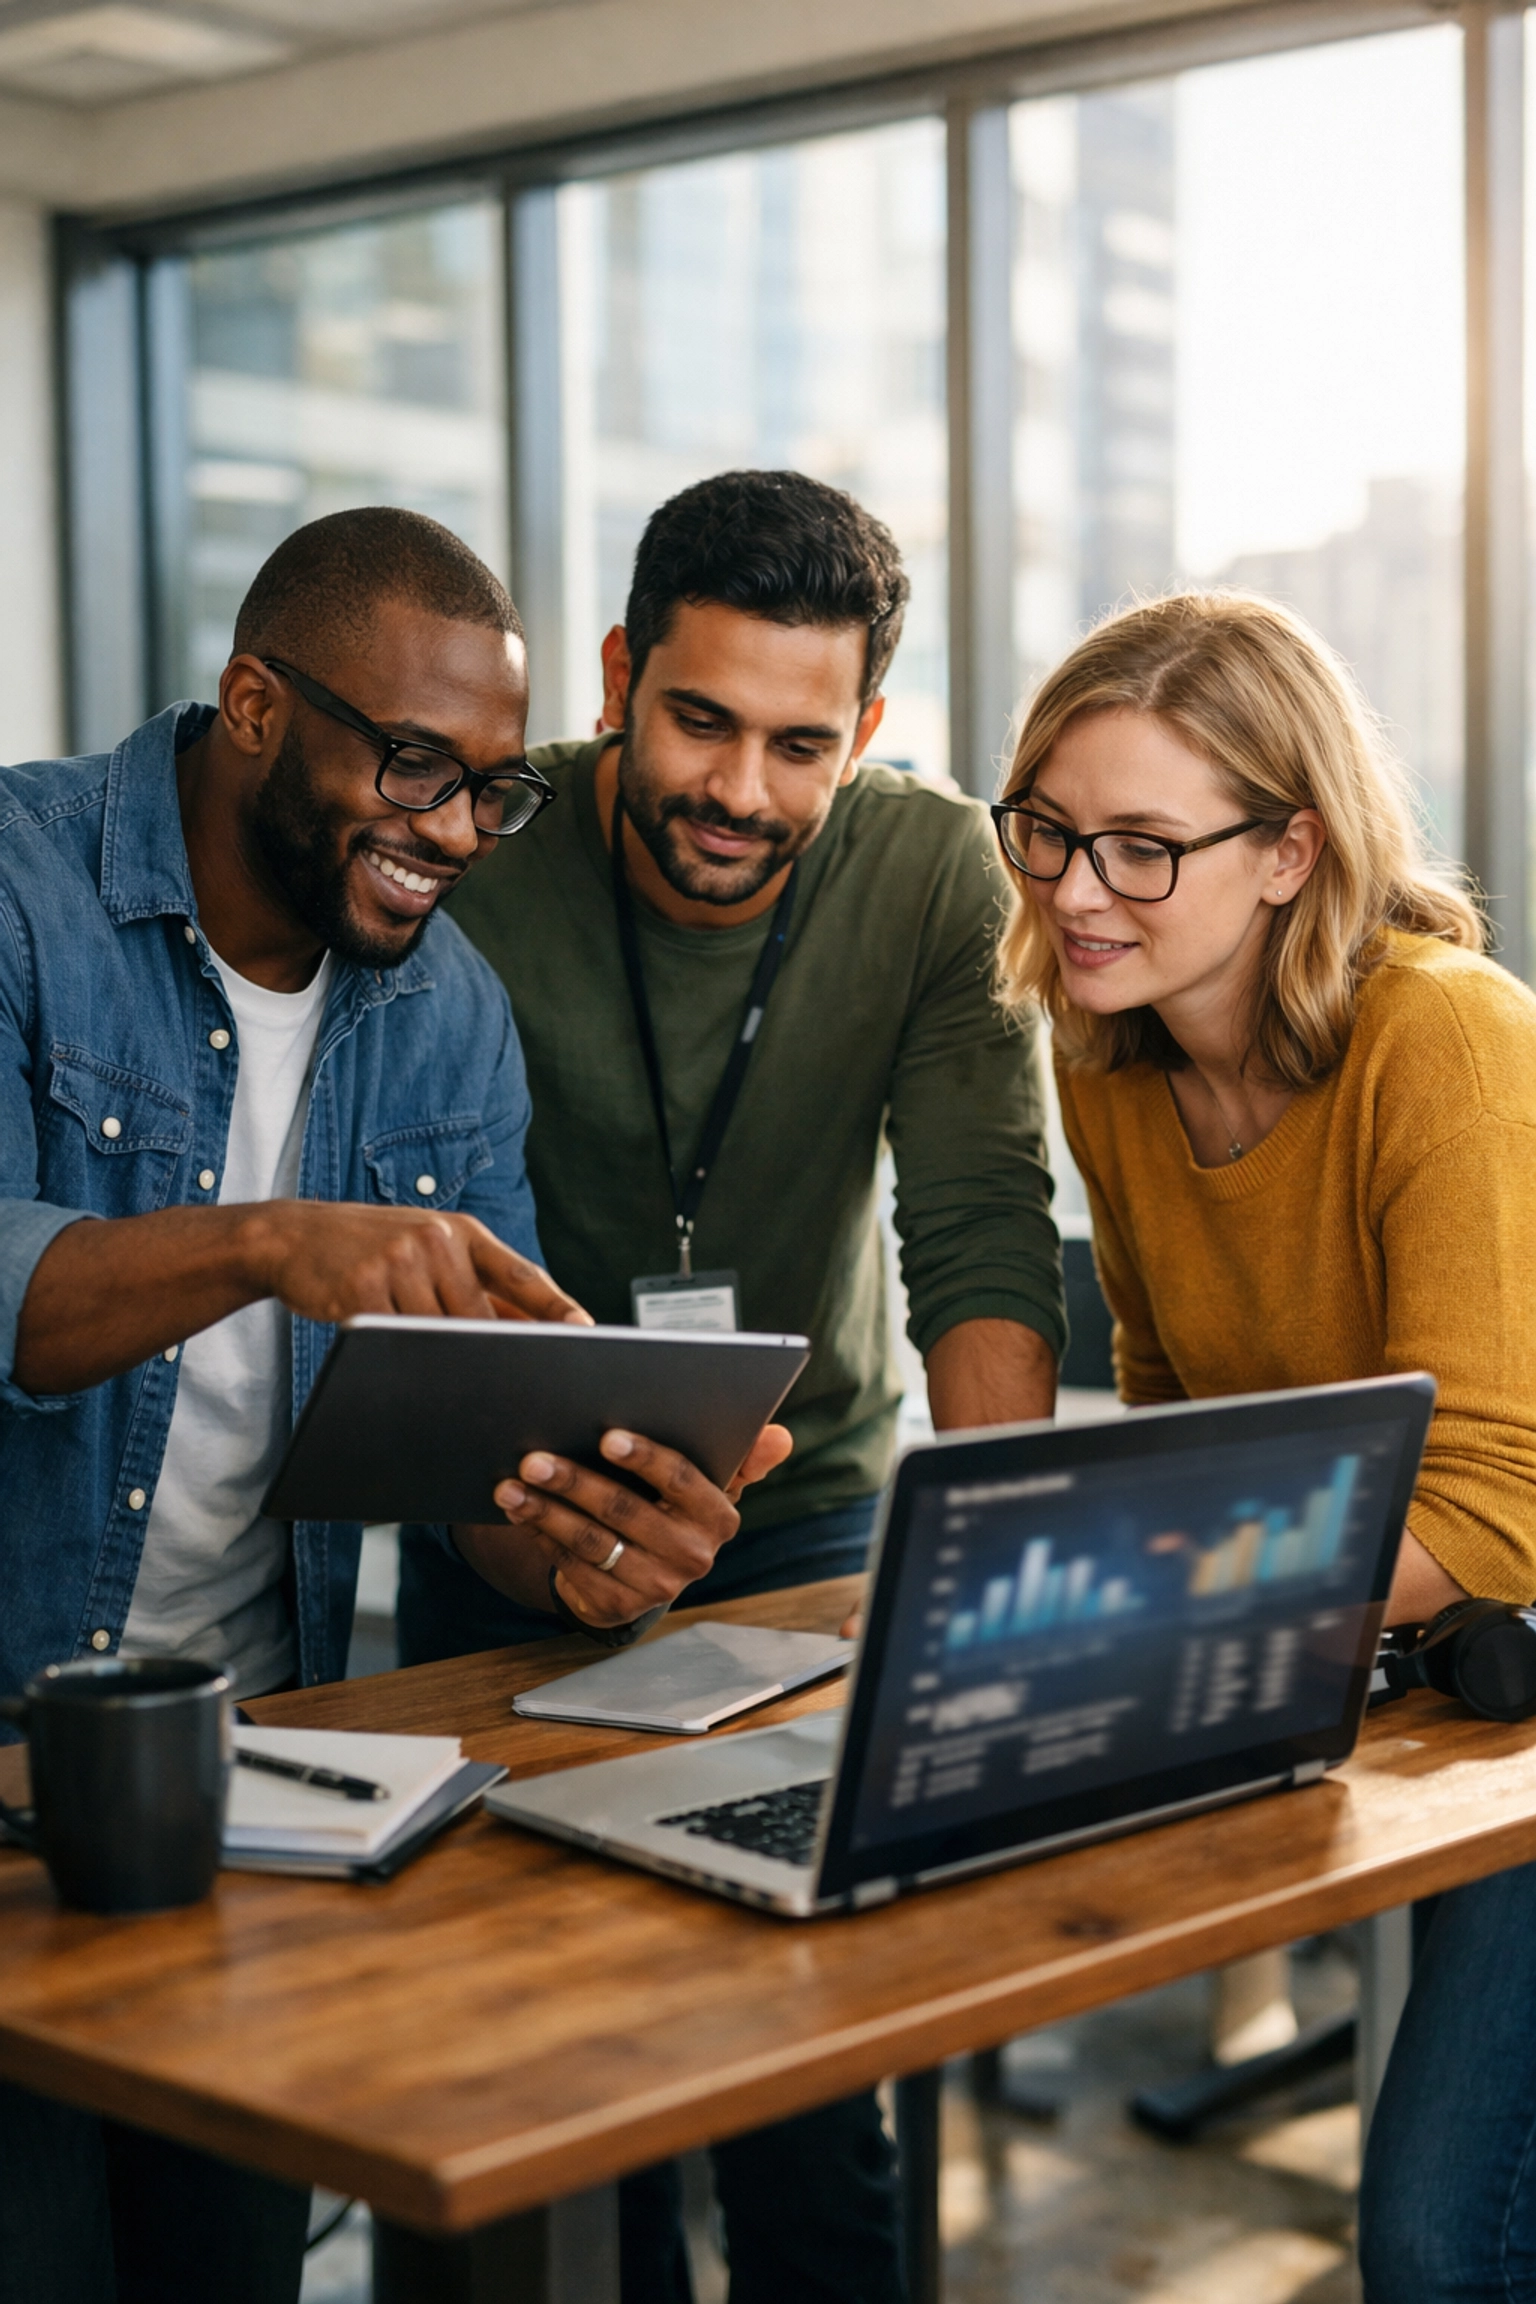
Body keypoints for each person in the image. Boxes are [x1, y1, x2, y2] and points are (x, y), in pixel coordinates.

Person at [0, 505, 783, 2304]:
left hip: (237, 1782)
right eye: (417, 765)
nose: (454, 834)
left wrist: (593, 1539)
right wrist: (271, 1243)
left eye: (493, 791)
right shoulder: (21, 886)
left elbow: (468, 1472)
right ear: (258, 704)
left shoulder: (450, 1019)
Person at [406, 468, 1066, 2304]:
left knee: (802, 2055)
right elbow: (415, 1239)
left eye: (800, 743)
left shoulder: (932, 867)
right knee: (530, 2057)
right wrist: (530, 1529)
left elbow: (983, 1227)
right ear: (619, 673)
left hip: (810, 1506)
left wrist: (995, 1568)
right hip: (510, 1499)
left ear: (864, 729)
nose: (739, 793)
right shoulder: (485, 854)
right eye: (699, 721)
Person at [990, 588, 1536, 2304]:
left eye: (1143, 848)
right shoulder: (1112, 1061)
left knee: (1441, 2246)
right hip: (1407, 1677)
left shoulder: (1444, 1036)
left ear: (1290, 852)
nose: (1079, 893)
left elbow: (1508, 1507)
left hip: (1505, 1668)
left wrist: (1147, 1589)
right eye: (1052, 835)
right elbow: (1171, 1407)